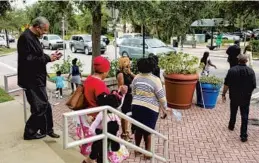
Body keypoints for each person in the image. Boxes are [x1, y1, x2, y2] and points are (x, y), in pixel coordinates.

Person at [17, 16, 61, 140]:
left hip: (38, 78)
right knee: (40, 107)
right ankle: (29, 132)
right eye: (44, 30)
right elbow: (28, 60)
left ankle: (47, 129)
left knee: (44, 105)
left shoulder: (33, 37)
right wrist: (48, 58)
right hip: (31, 80)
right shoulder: (25, 38)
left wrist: (50, 56)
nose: (45, 33)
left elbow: (37, 55)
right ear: (37, 27)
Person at [131, 58, 168, 159]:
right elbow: (161, 97)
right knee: (148, 130)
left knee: (138, 129)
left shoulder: (136, 78)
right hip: (150, 109)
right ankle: (147, 153)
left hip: (136, 106)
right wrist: (165, 108)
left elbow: (133, 92)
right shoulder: (156, 80)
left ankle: (137, 149)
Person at [222, 54, 256, 142]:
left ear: (238, 60)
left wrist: (223, 94)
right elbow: (253, 85)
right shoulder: (251, 71)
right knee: (244, 115)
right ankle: (243, 135)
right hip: (245, 97)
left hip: (234, 95)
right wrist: (249, 94)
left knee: (233, 111)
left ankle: (231, 125)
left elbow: (226, 84)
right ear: (246, 61)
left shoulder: (232, 70)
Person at [84, 92, 122, 163]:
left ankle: (88, 160)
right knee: (99, 155)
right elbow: (92, 128)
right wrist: (98, 136)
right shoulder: (102, 114)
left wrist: (116, 135)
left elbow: (119, 126)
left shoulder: (114, 114)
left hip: (109, 138)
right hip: (101, 138)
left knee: (101, 155)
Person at [116, 56, 135, 141]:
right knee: (124, 115)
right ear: (123, 63)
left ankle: (127, 132)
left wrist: (130, 73)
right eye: (127, 62)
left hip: (130, 96)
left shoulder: (128, 73)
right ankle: (124, 133)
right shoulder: (120, 74)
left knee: (128, 115)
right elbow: (121, 87)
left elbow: (136, 78)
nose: (129, 63)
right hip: (125, 97)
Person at [148, 54, 167, 119]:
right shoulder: (157, 67)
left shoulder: (151, 68)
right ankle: (163, 112)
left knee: (156, 100)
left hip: (154, 84)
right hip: (159, 83)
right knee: (159, 99)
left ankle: (159, 112)